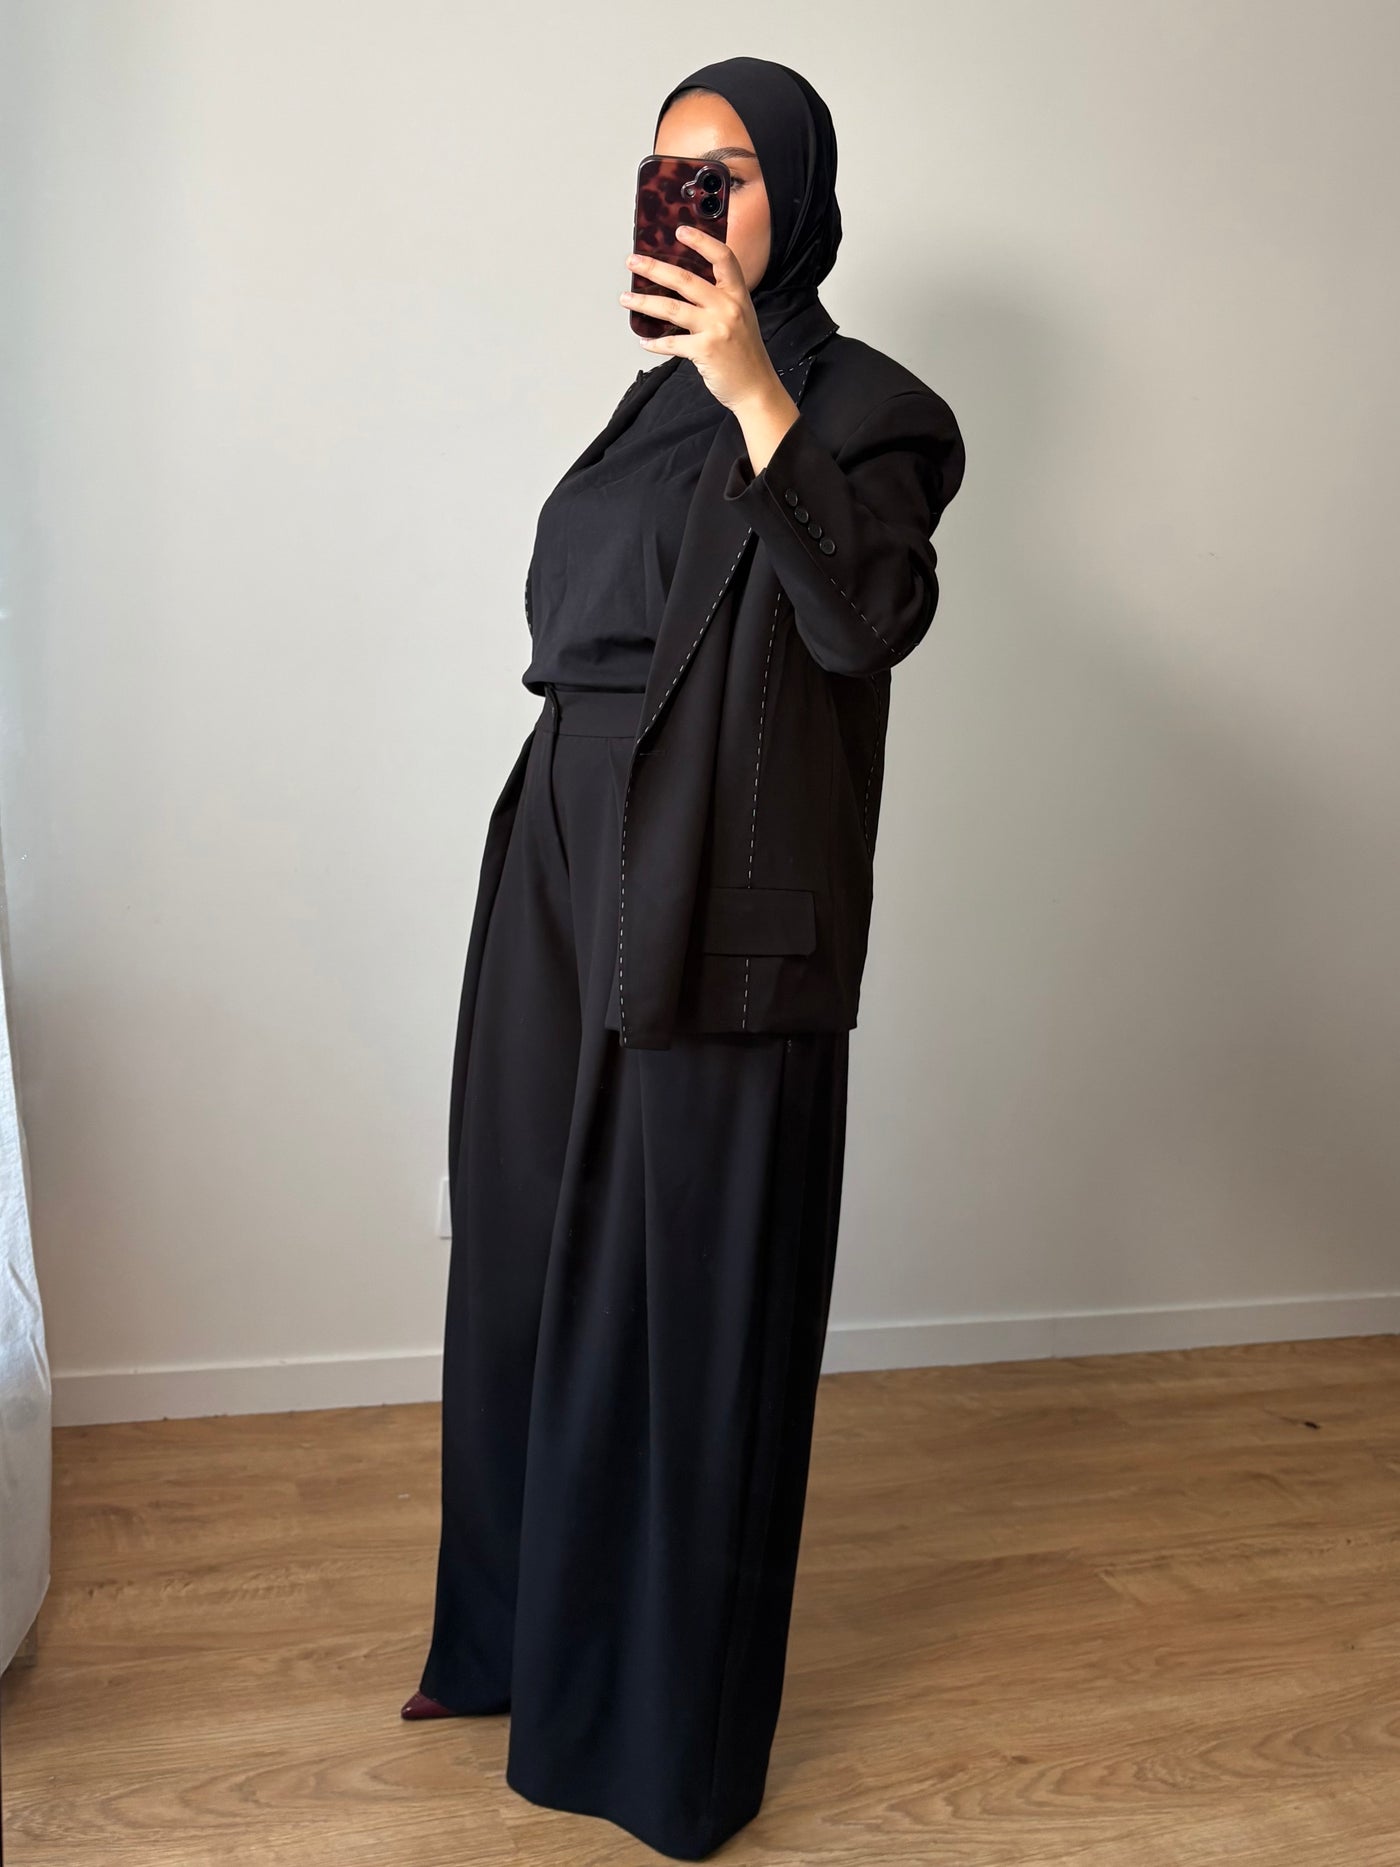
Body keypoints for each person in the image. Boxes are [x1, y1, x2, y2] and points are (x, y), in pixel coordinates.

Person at [402, 54, 966, 1862]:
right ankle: (517, 1645)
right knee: (522, 1251)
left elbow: (869, 617)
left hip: (719, 882)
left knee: (685, 1305)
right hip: (563, 850)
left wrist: (751, 387)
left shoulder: (872, 408)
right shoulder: (643, 402)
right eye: (664, 168)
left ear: (795, 191)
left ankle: (662, 1746)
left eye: (725, 166)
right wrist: (699, 380)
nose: (689, 193)